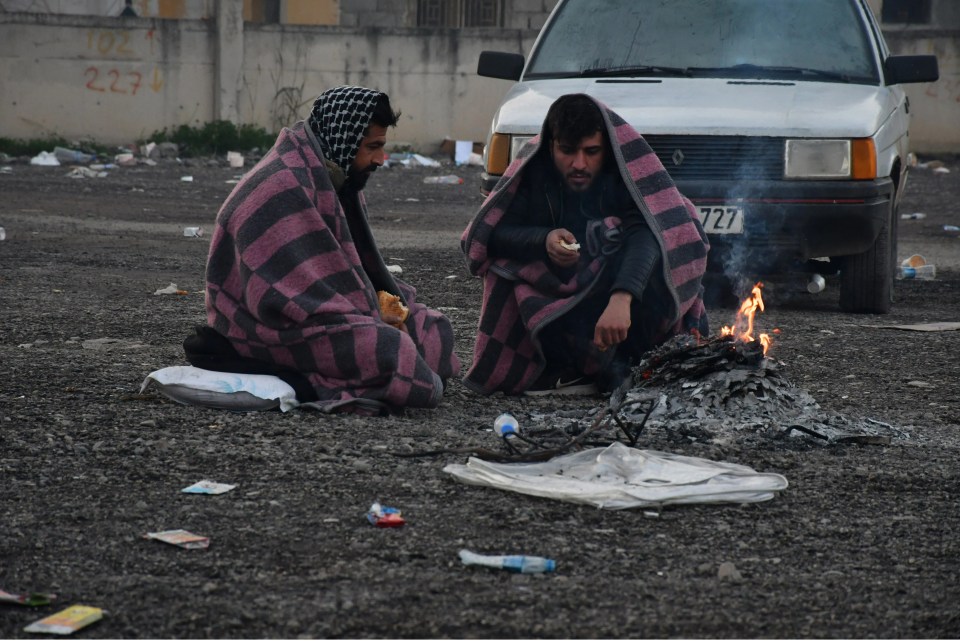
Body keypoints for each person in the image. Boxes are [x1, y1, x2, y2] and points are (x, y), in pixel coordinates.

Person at [186, 86, 460, 414]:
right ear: (343, 139)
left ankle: (412, 375)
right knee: (391, 350)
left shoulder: (334, 178)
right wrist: (369, 317)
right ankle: (417, 379)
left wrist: (377, 311)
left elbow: (352, 274)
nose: (380, 160)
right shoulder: (282, 188)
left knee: (434, 328)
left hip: (328, 312)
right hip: (265, 328)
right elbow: (292, 302)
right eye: (373, 147)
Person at [460, 93, 709, 396]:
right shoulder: (534, 174)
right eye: (567, 151)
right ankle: (558, 369)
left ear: (606, 149)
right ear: (550, 145)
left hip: (618, 300)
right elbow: (493, 234)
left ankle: (627, 366)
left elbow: (648, 233)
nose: (579, 164)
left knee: (651, 247)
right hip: (559, 296)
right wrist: (543, 240)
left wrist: (622, 298)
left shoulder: (620, 174)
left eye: (591, 152)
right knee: (503, 270)